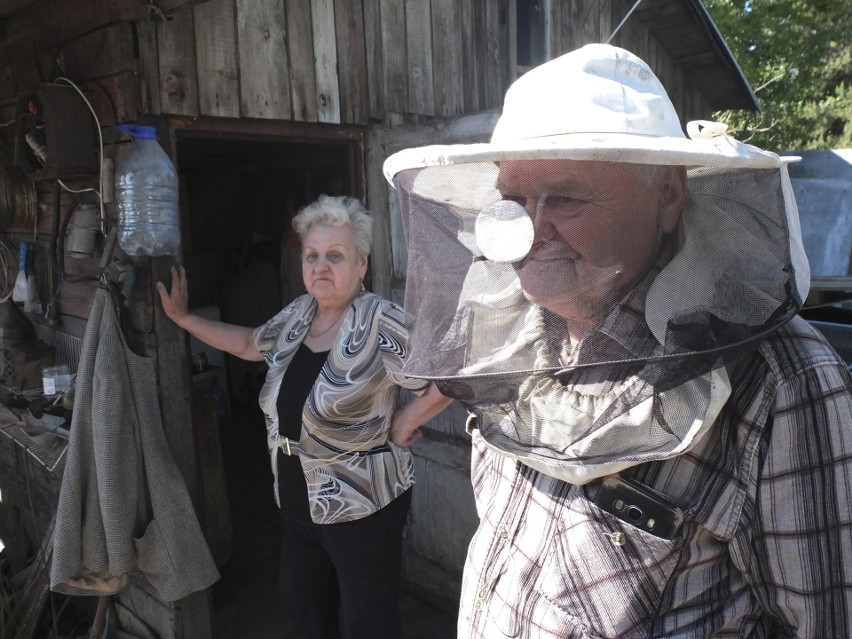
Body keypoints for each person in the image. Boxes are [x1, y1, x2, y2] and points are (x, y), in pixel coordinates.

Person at [383, 44, 852, 638]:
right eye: (512, 201)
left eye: (566, 198)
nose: (528, 230)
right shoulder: (504, 339)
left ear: (667, 197)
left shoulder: (786, 384)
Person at [157, 194, 451, 639]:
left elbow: (448, 374)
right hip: (297, 498)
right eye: (312, 256)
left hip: (362, 506)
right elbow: (249, 343)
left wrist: (408, 418)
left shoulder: (382, 323)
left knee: (367, 623)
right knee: (304, 606)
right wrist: (183, 319)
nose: (320, 267)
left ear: (361, 264)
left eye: (336, 256)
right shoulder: (299, 315)